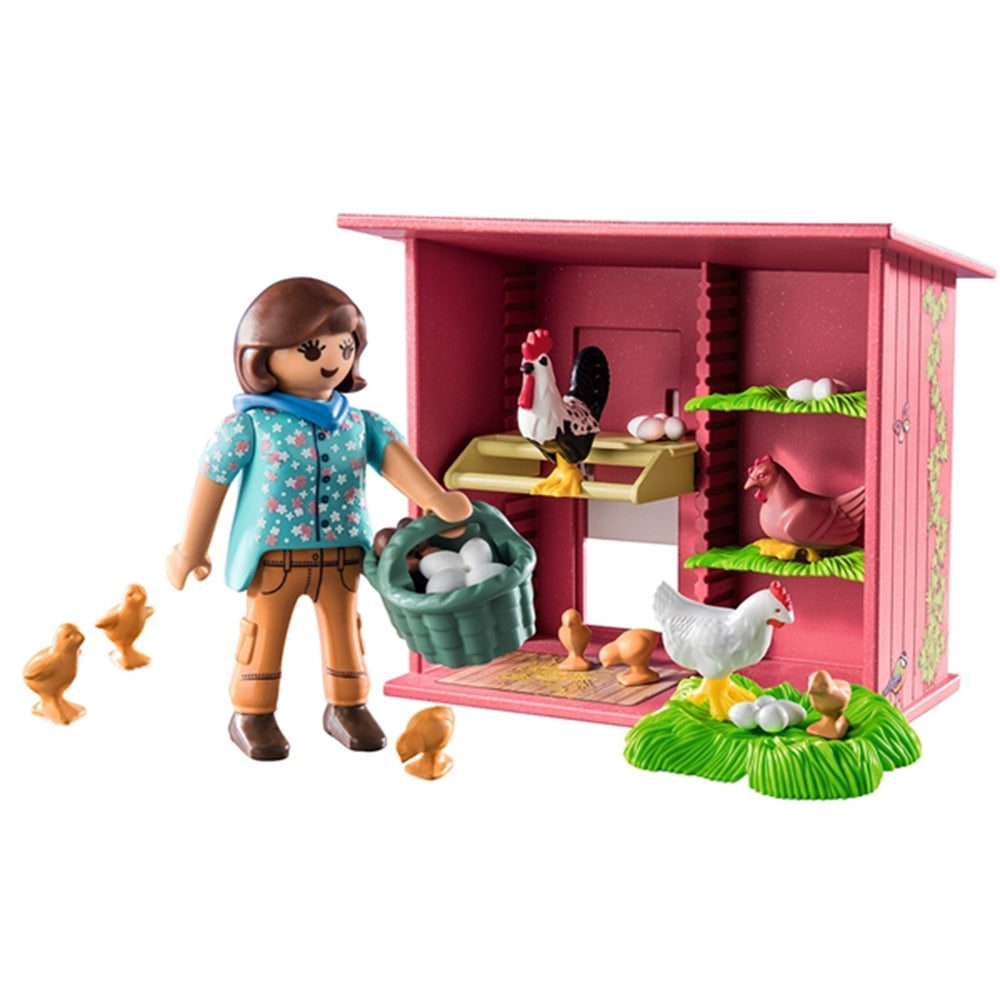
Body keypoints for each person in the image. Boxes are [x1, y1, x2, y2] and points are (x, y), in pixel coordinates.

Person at [166, 277, 470, 761]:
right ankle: (252, 712)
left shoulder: (359, 422)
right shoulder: (251, 425)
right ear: (261, 356)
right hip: (274, 557)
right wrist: (191, 549)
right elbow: (212, 482)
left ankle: (347, 706)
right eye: (311, 349)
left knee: (345, 631)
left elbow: (396, 461)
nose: (331, 360)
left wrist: (435, 498)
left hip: (343, 553)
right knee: (263, 634)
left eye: (344, 347)